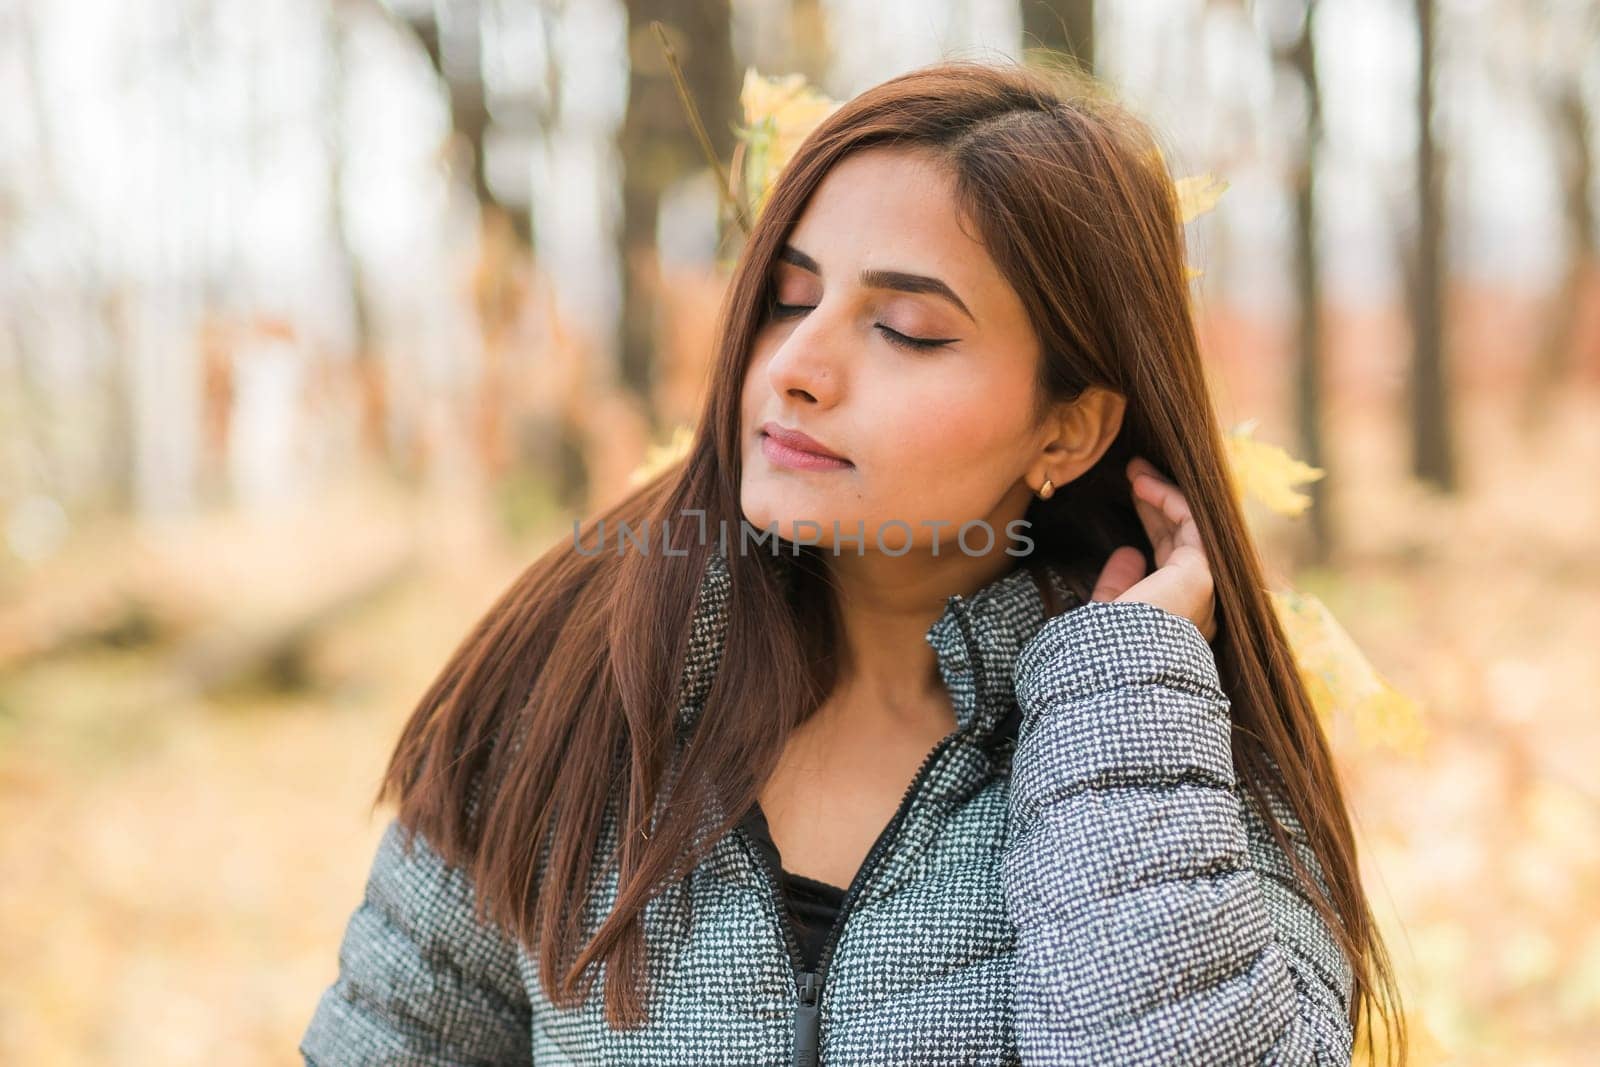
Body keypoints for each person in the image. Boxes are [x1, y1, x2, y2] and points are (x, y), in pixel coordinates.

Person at [300, 58, 1406, 1066]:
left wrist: (1118, 699)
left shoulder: (1166, 756)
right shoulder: (575, 683)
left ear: (1067, 428)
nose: (796, 364)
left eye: (909, 329)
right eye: (790, 297)